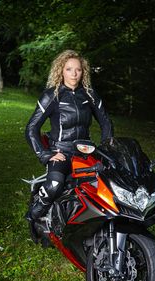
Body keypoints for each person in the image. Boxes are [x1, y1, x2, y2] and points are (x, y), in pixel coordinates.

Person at [25, 49, 113, 220]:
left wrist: (106, 148)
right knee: (55, 185)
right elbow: (31, 128)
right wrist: (44, 153)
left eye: (78, 69)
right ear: (61, 70)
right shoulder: (52, 95)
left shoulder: (90, 94)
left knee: (105, 184)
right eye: (69, 69)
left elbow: (106, 123)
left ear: (83, 72)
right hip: (61, 152)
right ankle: (34, 214)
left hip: (86, 151)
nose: (74, 73)